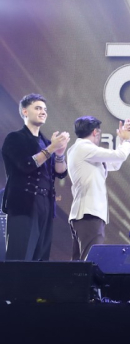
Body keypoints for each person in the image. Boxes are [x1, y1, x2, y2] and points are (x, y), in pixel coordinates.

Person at [1, 93, 69, 261]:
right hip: (23, 205)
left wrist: (60, 153)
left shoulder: (46, 142)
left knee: (41, 259)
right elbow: (26, 165)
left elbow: (60, 172)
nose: (43, 112)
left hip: (45, 204)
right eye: (38, 108)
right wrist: (52, 148)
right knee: (20, 257)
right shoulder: (15, 138)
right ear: (25, 112)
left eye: (44, 109)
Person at [67, 116, 130, 260]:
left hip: (86, 214)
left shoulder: (82, 150)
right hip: (88, 214)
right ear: (95, 132)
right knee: (90, 259)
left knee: (80, 261)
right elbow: (120, 155)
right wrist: (128, 141)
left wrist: (122, 141)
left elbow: (114, 163)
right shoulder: (84, 148)